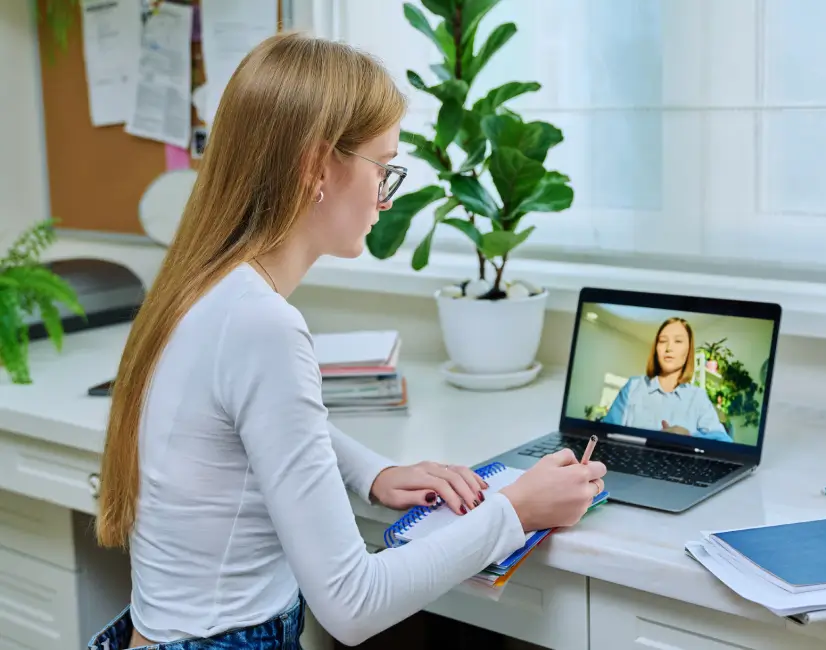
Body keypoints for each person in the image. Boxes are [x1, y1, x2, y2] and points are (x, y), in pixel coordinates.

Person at [89, 32, 606, 650]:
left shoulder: (205, 290)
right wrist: (515, 511)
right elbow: (353, 605)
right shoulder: (264, 326)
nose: (387, 198)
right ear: (316, 168)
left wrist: (374, 472)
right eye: (382, 168)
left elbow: (261, 423)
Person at [602, 317, 733, 442]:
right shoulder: (633, 386)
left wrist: (689, 437)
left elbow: (724, 442)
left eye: (678, 341)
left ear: (688, 351)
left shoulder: (697, 397)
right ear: (656, 348)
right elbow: (603, 434)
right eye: (663, 341)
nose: (669, 348)